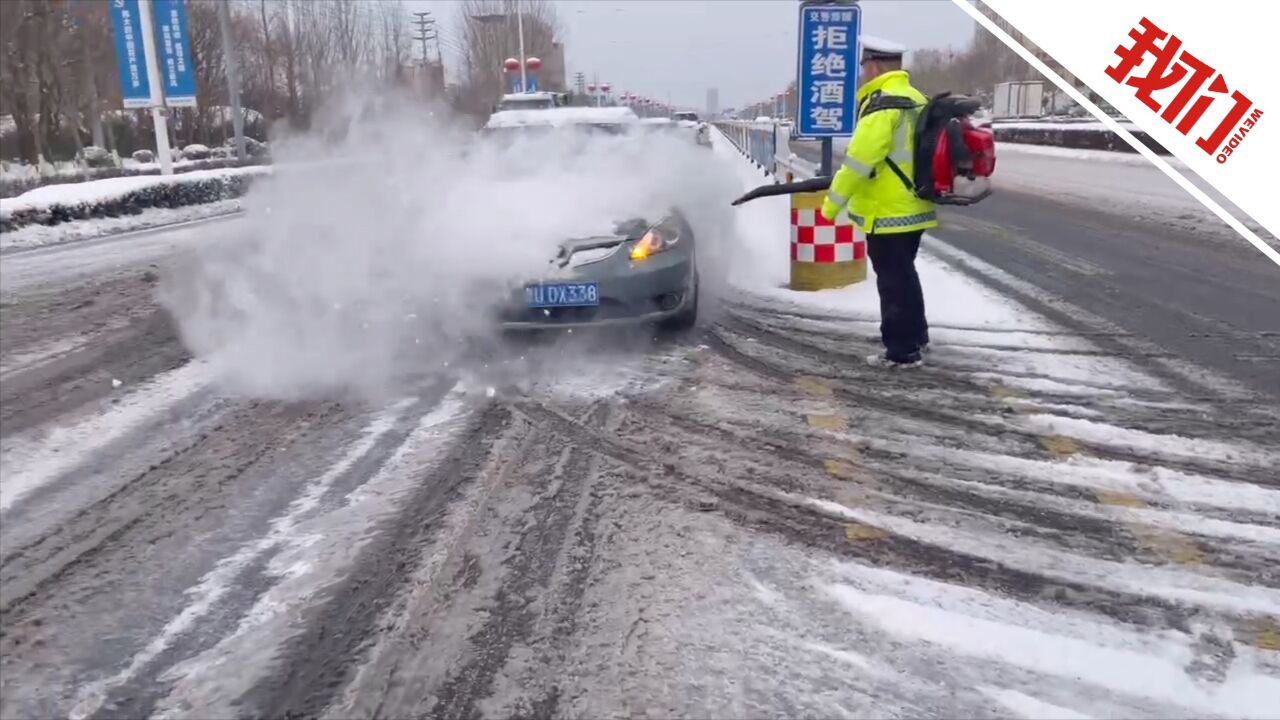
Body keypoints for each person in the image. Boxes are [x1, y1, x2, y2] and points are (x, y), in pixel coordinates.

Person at [820, 34, 936, 368]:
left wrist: (831, 205)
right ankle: (915, 336)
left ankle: (901, 351)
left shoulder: (882, 106)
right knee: (904, 275)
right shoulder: (916, 98)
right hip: (915, 206)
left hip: (886, 212)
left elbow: (858, 163)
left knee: (892, 281)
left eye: (864, 67)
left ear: (873, 66)